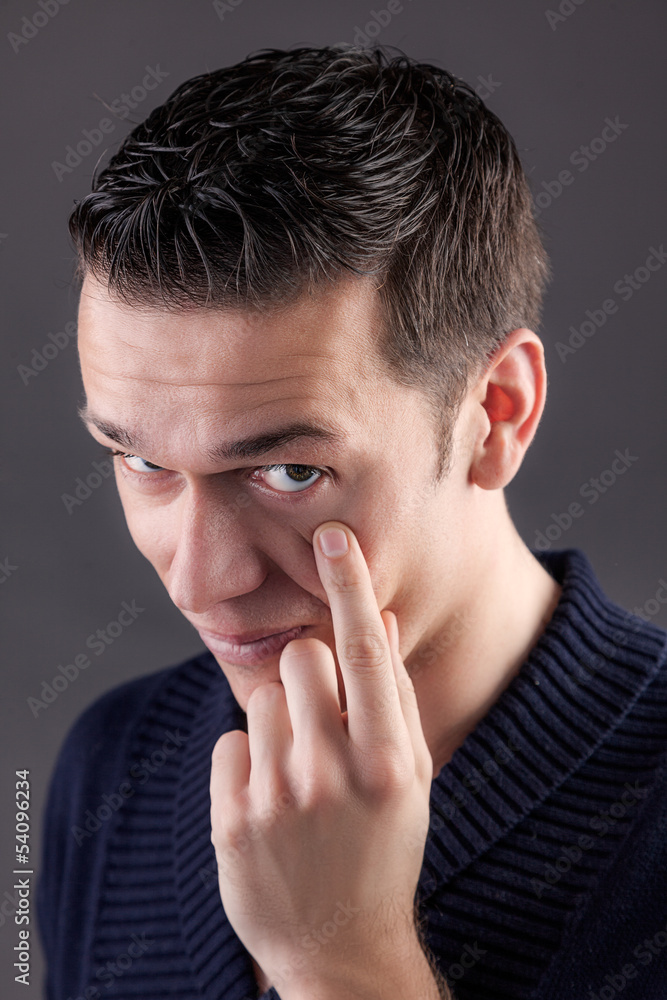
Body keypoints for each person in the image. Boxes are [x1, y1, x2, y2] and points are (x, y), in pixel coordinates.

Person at [37, 45, 667, 1000]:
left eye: (292, 472)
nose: (200, 582)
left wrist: (343, 961)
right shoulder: (111, 764)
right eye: (143, 462)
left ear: (497, 414)